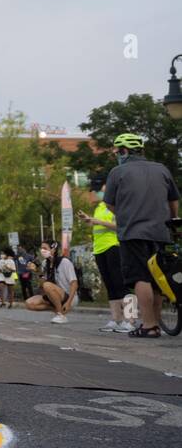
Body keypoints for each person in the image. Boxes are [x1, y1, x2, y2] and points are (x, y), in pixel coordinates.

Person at [103, 133, 181, 339]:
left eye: (118, 151)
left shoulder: (118, 172)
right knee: (158, 276)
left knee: (140, 277)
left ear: (124, 151)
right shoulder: (161, 169)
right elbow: (174, 201)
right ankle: (154, 322)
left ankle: (148, 325)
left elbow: (109, 203)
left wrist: (126, 213)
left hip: (133, 232)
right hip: (161, 232)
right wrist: (171, 222)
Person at [80, 173, 131, 333]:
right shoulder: (100, 206)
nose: (97, 193)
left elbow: (121, 226)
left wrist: (98, 221)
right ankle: (116, 319)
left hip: (113, 246)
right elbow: (99, 225)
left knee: (121, 284)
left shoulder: (117, 204)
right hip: (99, 248)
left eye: (99, 189)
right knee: (110, 284)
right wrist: (89, 220)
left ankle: (130, 320)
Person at [25, 243, 79, 323]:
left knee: (47, 285)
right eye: (41, 248)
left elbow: (74, 283)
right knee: (29, 303)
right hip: (53, 294)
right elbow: (42, 284)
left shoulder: (64, 262)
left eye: (45, 248)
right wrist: (37, 271)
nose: (42, 250)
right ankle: (59, 310)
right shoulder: (45, 263)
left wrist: (68, 302)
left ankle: (61, 315)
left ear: (53, 250)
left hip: (69, 297)